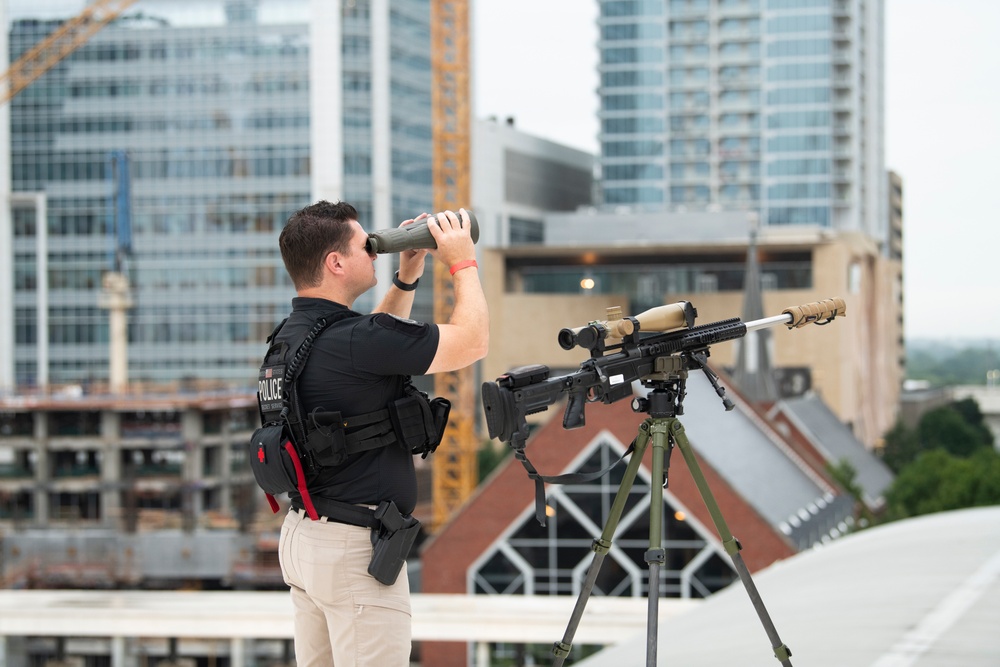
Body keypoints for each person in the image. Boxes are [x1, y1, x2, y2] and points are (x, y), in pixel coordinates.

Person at [272, 200, 488, 666]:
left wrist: (406, 274)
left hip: (306, 537)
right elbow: (474, 341)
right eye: (363, 245)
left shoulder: (291, 336)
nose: (374, 251)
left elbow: (376, 344)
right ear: (335, 263)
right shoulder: (354, 340)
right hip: (353, 550)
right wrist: (462, 261)